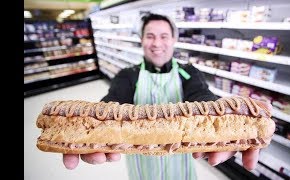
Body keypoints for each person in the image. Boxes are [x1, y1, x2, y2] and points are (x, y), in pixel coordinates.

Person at [63, 13, 269, 179]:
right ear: (141, 39)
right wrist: (91, 124)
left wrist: (222, 114)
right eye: (150, 36)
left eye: (163, 36)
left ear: (174, 39)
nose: (157, 43)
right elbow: (112, 104)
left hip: (180, 159)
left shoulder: (188, 72)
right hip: (142, 160)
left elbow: (202, 96)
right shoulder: (128, 75)